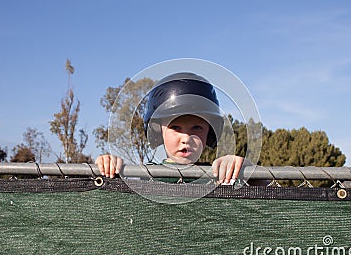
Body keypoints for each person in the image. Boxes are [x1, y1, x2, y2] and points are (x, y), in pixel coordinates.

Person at [95, 72, 252, 184]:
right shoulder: (143, 176)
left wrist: (244, 169)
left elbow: (267, 192)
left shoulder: (218, 176)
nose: (186, 139)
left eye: (197, 127)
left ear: (209, 131)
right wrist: (108, 166)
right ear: (158, 131)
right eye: (176, 127)